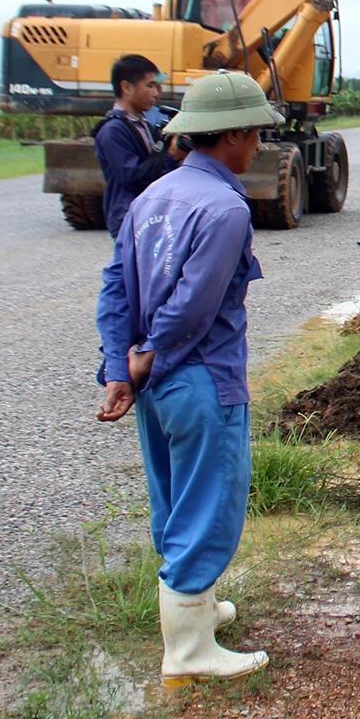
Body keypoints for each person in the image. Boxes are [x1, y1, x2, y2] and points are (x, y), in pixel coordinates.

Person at [95, 70, 280, 685]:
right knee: (210, 503)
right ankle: (189, 653)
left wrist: (120, 365)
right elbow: (194, 307)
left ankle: (197, 613)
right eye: (254, 134)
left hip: (155, 387)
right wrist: (149, 354)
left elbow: (115, 288)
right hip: (202, 381)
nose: (257, 147)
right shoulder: (226, 208)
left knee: (173, 501)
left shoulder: (152, 199)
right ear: (232, 135)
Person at [96, 54, 187, 237]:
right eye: (150, 86)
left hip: (151, 215)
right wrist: (172, 155)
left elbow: (155, 166)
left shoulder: (143, 124)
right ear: (127, 87)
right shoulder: (113, 131)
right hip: (130, 220)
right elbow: (132, 177)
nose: (156, 93)